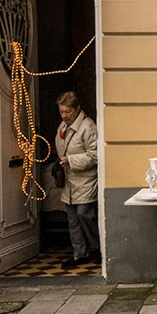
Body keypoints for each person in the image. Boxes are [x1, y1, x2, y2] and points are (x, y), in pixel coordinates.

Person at [55, 91, 100, 268]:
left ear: (77, 109)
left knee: (85, 214)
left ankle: (98, 248)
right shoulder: (63, 127)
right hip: (70, 180)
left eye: (67, 112)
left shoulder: (88, 127)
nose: (64, 116)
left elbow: (95, 155)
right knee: (72, 218)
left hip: (86, 180)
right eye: (62, 112)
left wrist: (71, 160)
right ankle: (79, 254)